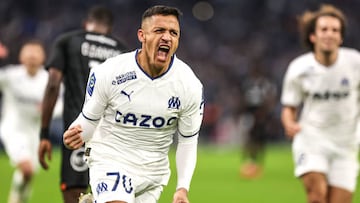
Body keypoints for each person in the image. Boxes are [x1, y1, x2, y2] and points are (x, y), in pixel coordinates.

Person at [63, 5, 204, 203]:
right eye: (159, 30)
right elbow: (89, 121)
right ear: (142, 35)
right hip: (110, 158)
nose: (167, 37)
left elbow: (188, 141)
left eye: (173, 32)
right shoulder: (110, 72)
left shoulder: (189, 85)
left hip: (153, 172)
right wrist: (76, 134)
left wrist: (182, 188)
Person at [38, 5, 127, 203]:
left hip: (78, 130)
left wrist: (44, 134)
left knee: (74, 193)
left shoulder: (68, 41)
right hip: (114, 135)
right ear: (110, 28)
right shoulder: (123, 50)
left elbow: (53, 84)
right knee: (112, 194)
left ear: (86, 23)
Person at [281, 4, 360, 203]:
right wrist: (289, 123)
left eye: (335, 30)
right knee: (317, 196)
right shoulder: (299, 68)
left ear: (341, 37)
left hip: (346, 144)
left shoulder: (355, 63)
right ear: (313, 36)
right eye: (324, 29)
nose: (329, 34)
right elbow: (289, 107)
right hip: (312, 139)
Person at [0, 40, 62, 203]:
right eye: (29, 52)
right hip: (13, 129)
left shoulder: (49, 79)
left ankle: (17, 198)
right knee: (26, 169)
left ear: (43, 57)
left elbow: (60, 104)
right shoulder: (10, 76)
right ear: (21, 56)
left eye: (36, 52)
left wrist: (48, 109)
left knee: (28, 175)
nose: (32, 56)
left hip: (35, 133)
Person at [238, 63, 277, 179]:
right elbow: (242, 98)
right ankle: (249, 161)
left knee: (260, 139)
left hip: (261, 115)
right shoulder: (248, 83)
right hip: (249, 114)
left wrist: (264, 114)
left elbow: (269, 99)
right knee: (248, 138)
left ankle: (257, 163)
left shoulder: (264, 84)